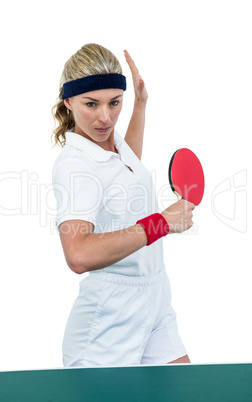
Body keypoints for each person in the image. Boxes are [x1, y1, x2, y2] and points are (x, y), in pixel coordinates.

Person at [52, 43, 195, 368]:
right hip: (109, 321)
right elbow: (79, 255)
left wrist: (140, 106)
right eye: (92, 104)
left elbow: (124, 172)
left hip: (155, 295)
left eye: (115, 102)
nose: (105, 117)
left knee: (188, 391)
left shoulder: (111, 145)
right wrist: (160, 223)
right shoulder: (75, 166)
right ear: (68, 100)